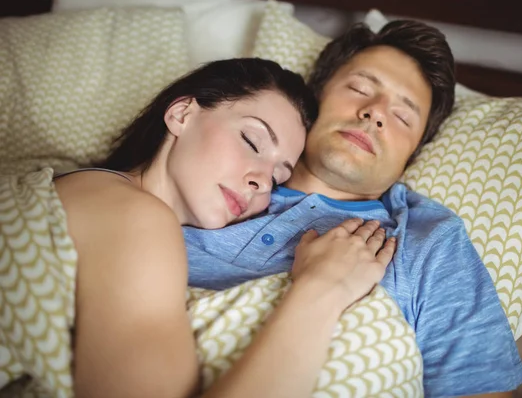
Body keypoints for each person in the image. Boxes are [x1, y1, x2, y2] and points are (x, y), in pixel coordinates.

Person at [184, 21, 522, 397]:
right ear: (314, 98)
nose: (375, 113)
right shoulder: (212, 170)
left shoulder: (428, 241)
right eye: (360, 88)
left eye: (403, 117)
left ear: (411, 155)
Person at [54, 58, 396, 398]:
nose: (261, 181)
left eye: (278, 178)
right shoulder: (136, 217)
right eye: (251, 141)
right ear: (182, 114)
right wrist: (322, 290)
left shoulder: (103, 197)